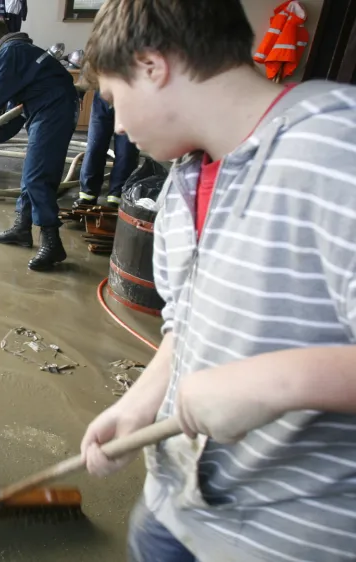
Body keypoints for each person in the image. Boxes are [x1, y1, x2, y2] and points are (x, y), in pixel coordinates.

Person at [78, 1, 356, 560]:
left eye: (113, 100)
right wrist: (139, 404)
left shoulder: (336, 148)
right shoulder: (183, 180)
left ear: (152, 65)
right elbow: (185, 323)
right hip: (173, 509)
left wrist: (275, 382)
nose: (121, 126)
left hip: (291, 536)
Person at [0, 16, 78, 271]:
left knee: (38, 176)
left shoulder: (10, 52)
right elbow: (15, 111)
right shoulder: (18, 54)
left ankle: (52, 243)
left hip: (54, 111)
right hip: (48, 109)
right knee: (31, 174)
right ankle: (22, 229)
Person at [75, 89, 140, 209]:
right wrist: (80, 92)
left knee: (126, 152)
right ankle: (87, 195)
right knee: (95, 147)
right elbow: (90, 70)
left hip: (132, 101)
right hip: (103, 99)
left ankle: (117, 197)